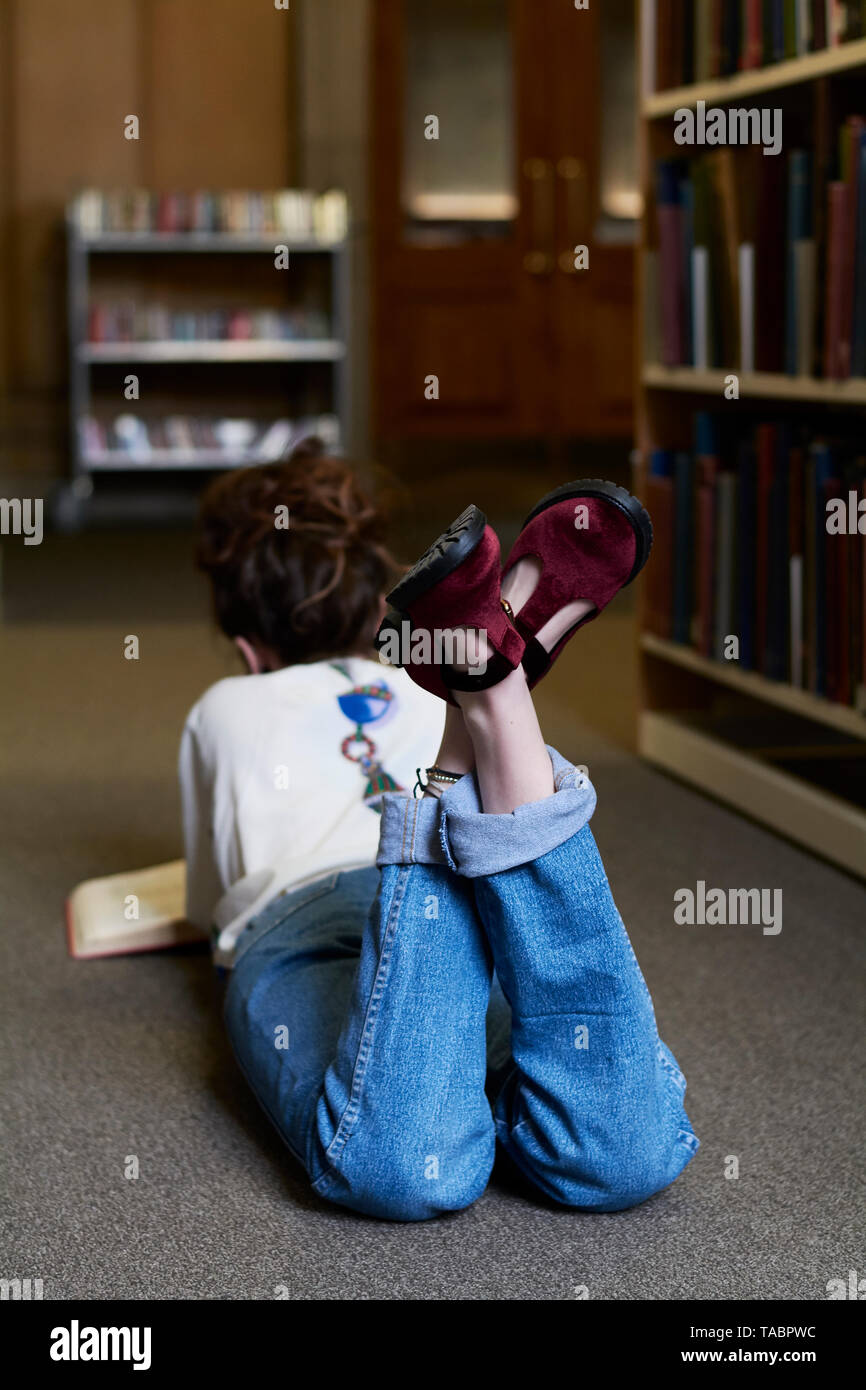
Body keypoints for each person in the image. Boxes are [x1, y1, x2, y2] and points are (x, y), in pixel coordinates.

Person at [181, 449, 699, 1222]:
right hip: (465, 894)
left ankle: (483, 688)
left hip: (298, 924)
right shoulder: (400, 682)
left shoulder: (223, 706)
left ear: (252, 655)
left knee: (400, 1163)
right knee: (621, 1154)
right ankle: (489, 685)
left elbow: (207, 907)